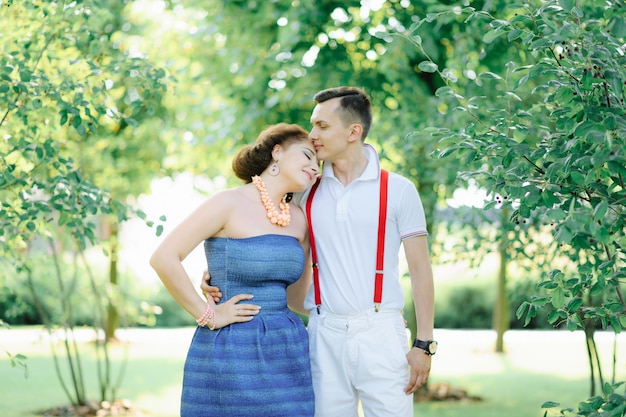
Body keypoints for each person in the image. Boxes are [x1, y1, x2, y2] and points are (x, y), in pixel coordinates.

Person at [204, 87, 435, 417]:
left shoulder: (397, 190)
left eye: (322, 126)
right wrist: (221, 272)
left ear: (353, 132)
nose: (312, 136)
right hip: (322, 331)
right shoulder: (303, 191)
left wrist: (423, 344)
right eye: (313, 125)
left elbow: (421, 268)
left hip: (381, 331)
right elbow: (261, 233)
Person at [150, 123, 319, 417]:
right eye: (307, 156)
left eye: (319, 164)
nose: (314, 167)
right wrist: (208, 314)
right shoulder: (227, 202)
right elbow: (164, 258)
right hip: (231, 349)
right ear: (277, 152)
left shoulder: (299, 219)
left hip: (287, 349)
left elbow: (297, 298)